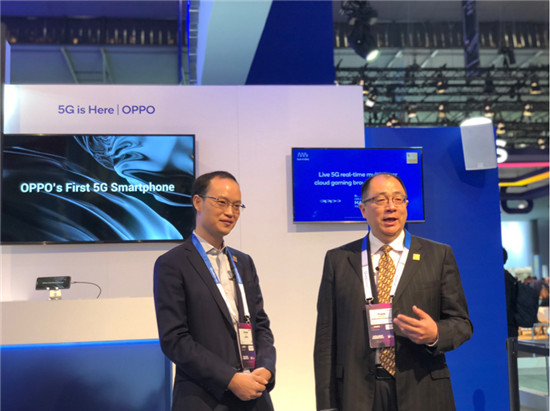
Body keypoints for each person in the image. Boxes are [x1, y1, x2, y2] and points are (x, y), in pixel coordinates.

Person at [314, 172, 473, 411]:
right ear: (363, 209)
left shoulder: (438, 255)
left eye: (398, 199)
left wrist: (435, 334)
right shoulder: (339, 260)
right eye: (380, 200)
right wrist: (326, 405)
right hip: (357, 393)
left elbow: (462, 323)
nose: (391, 207)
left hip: (422, 390)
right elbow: (325, 338)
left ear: (406, 206)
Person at [154, 171, 276, 410]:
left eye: (237, 206)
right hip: (204, 397)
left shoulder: (244, 262)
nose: (230, 212)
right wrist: (230, 379)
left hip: (254, 395)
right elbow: (174, 339)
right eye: (222, 202)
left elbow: (261, 325)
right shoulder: (172, 263)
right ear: (197, 202)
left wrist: (266, 368)